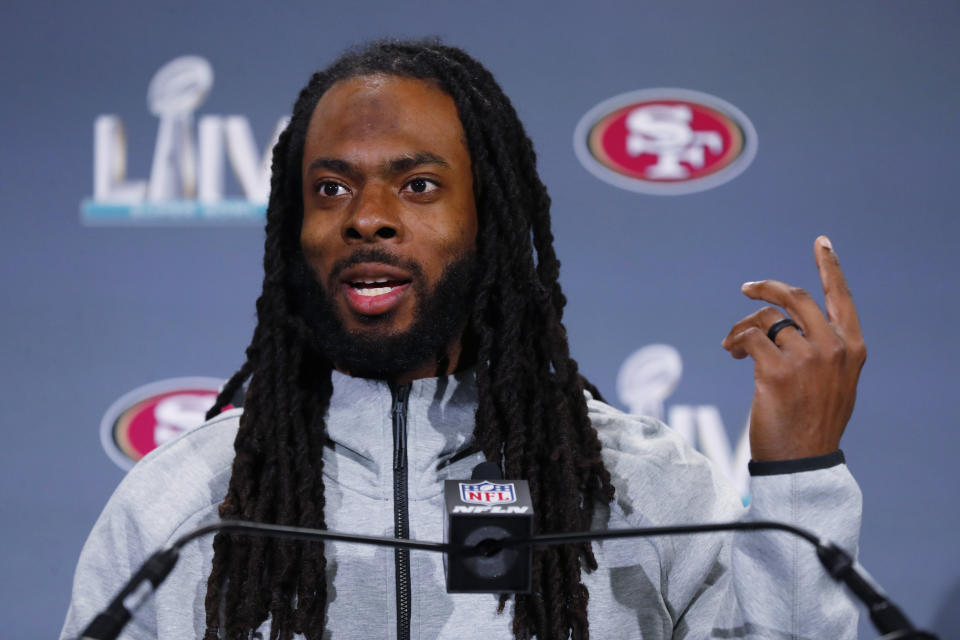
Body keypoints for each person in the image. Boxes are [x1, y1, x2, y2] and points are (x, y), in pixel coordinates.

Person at [60, 40, 866, 640]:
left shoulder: (640, 491)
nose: (366, 216)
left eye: (418, 185)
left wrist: (801, 474)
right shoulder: (184, 507)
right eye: (331, 187)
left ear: (489, 221)